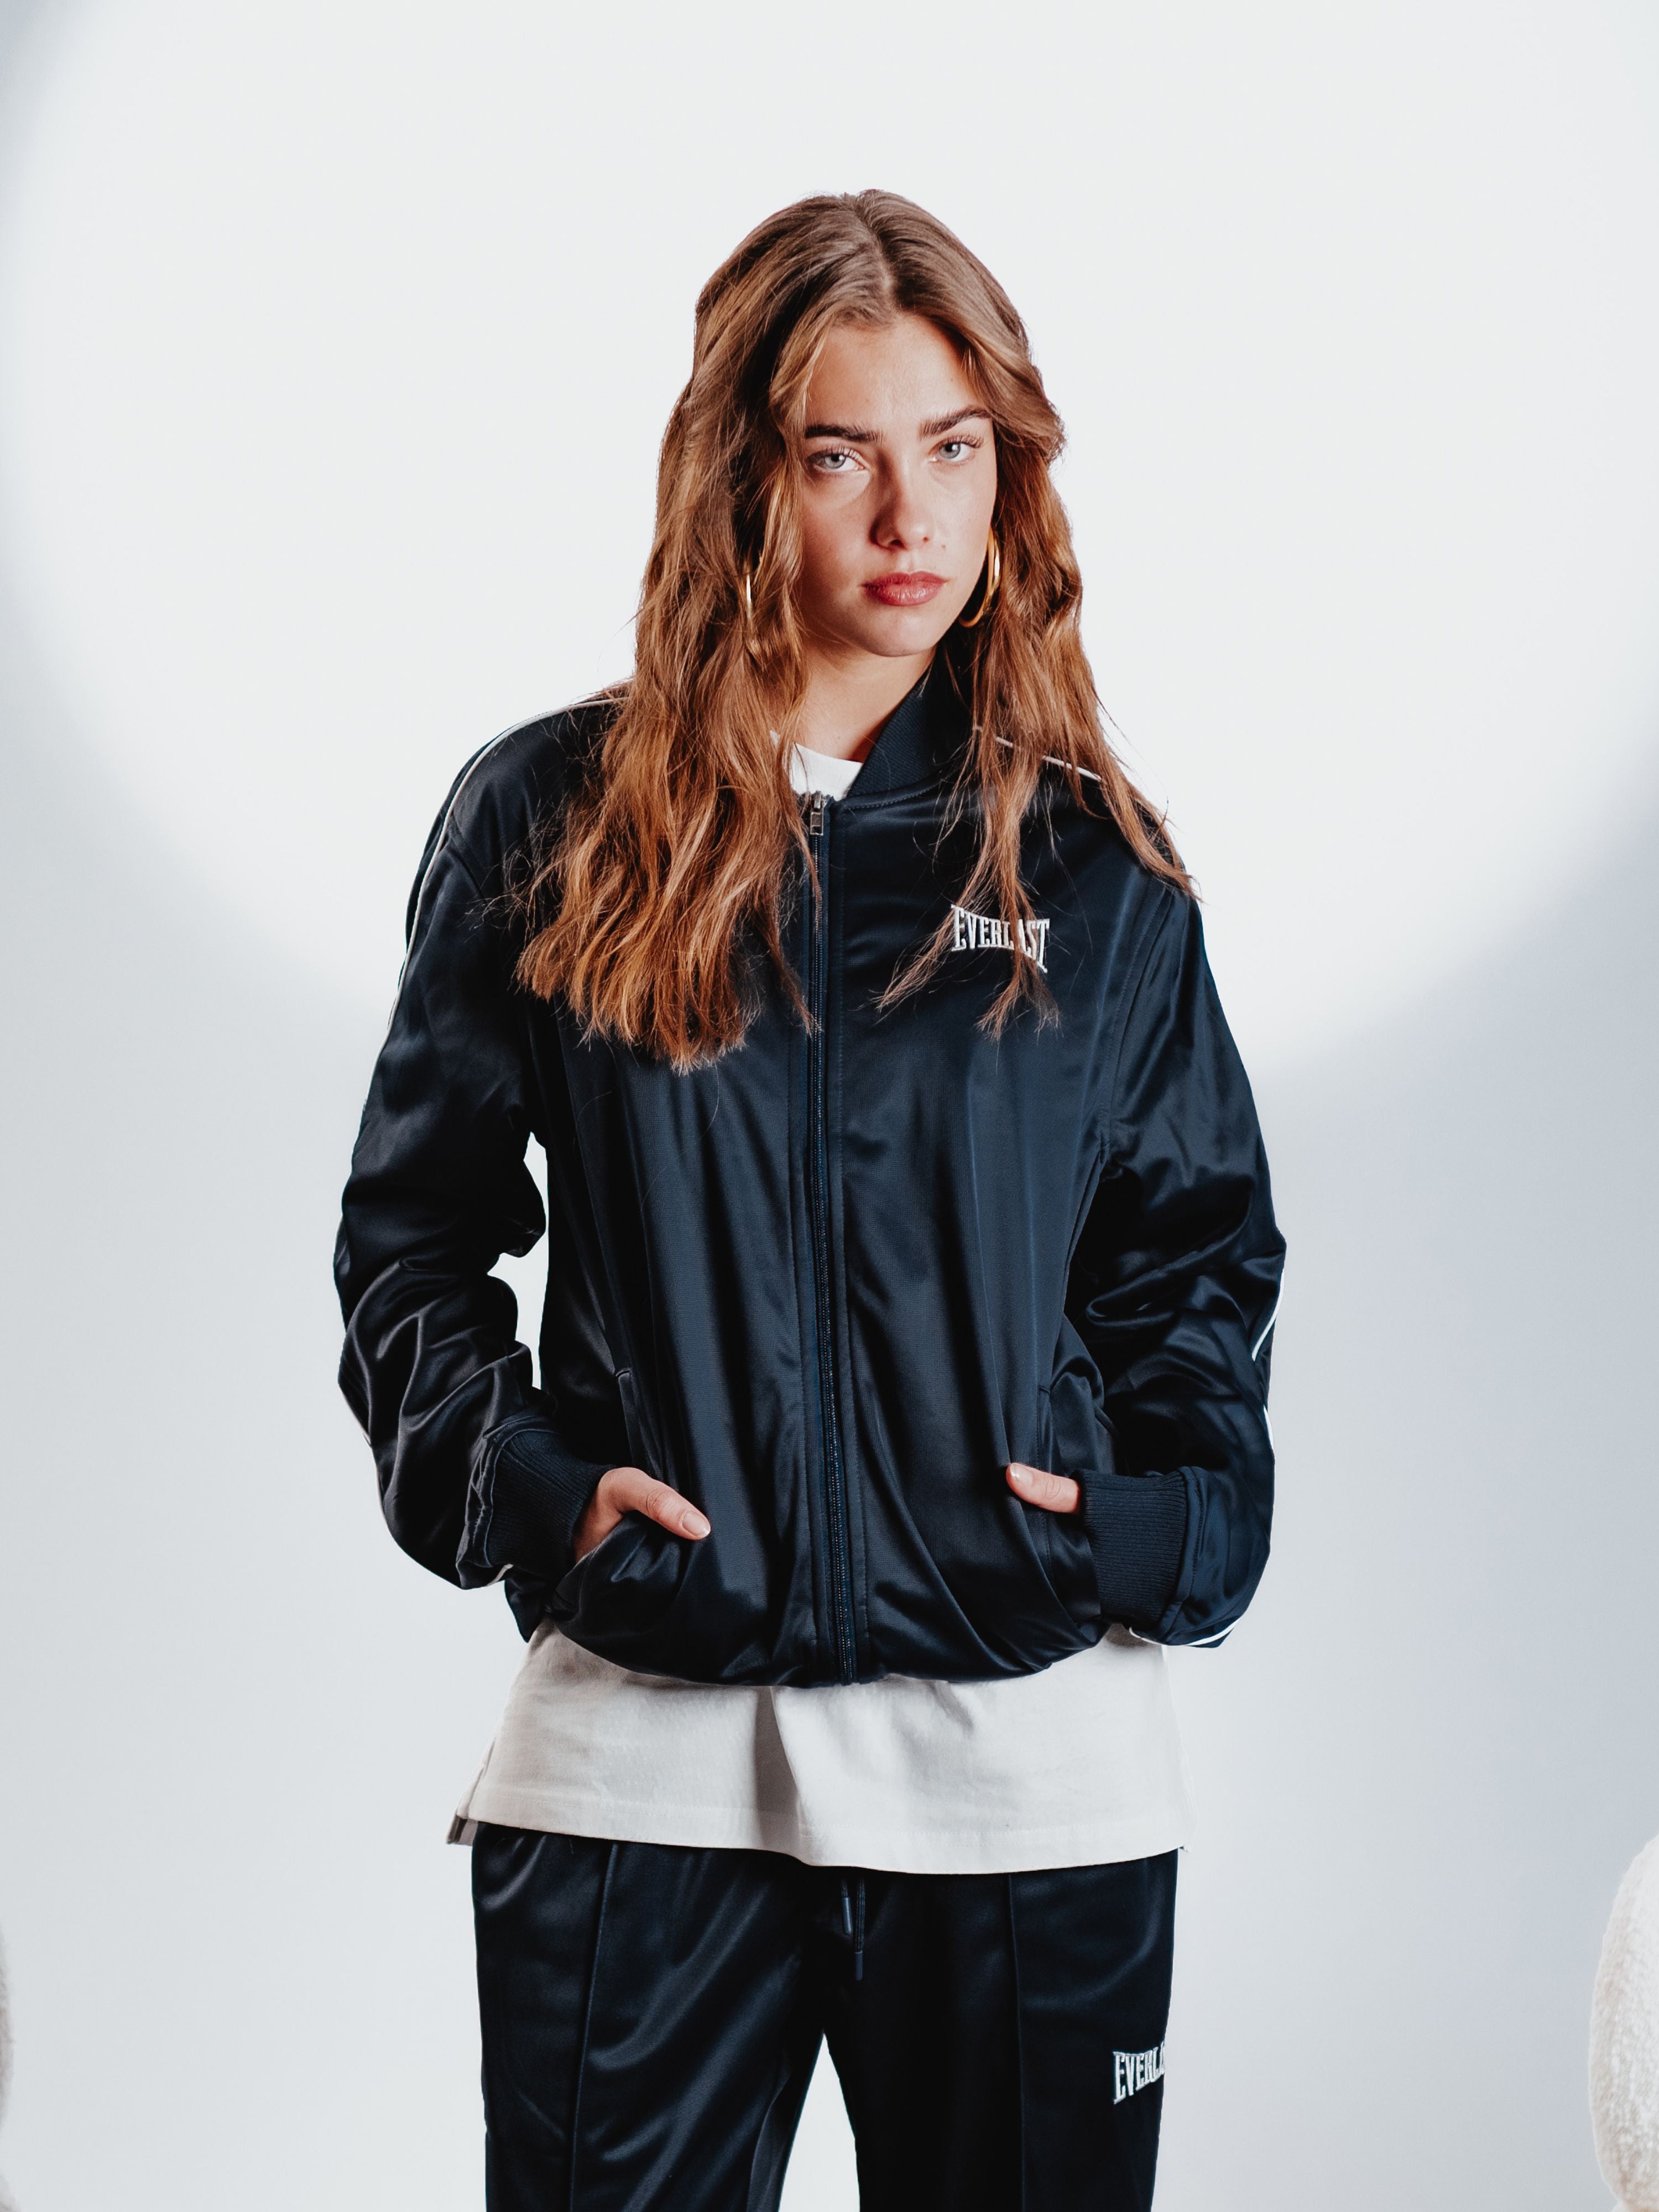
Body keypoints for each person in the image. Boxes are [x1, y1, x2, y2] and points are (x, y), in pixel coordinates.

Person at [335, 189, 1284, 2212]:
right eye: (841, 453)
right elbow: (411, 1238)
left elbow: (1196, 1259)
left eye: (956, 450)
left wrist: (1152, 1528)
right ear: (740, 475)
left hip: (1029, 1772)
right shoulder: (554, 824)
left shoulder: (1092, 867)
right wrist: (525, 1483)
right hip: (645, 1761)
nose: (908, 519)